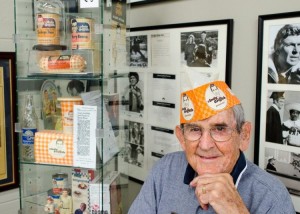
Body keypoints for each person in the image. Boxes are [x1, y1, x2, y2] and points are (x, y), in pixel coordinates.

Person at [128, 81, 295, 213]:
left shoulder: (272, 197)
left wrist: (235, 210)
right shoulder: (165, 170)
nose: (205, 145)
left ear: (244, 135)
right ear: (181, 138)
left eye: (220, 129)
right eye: (194, 129)